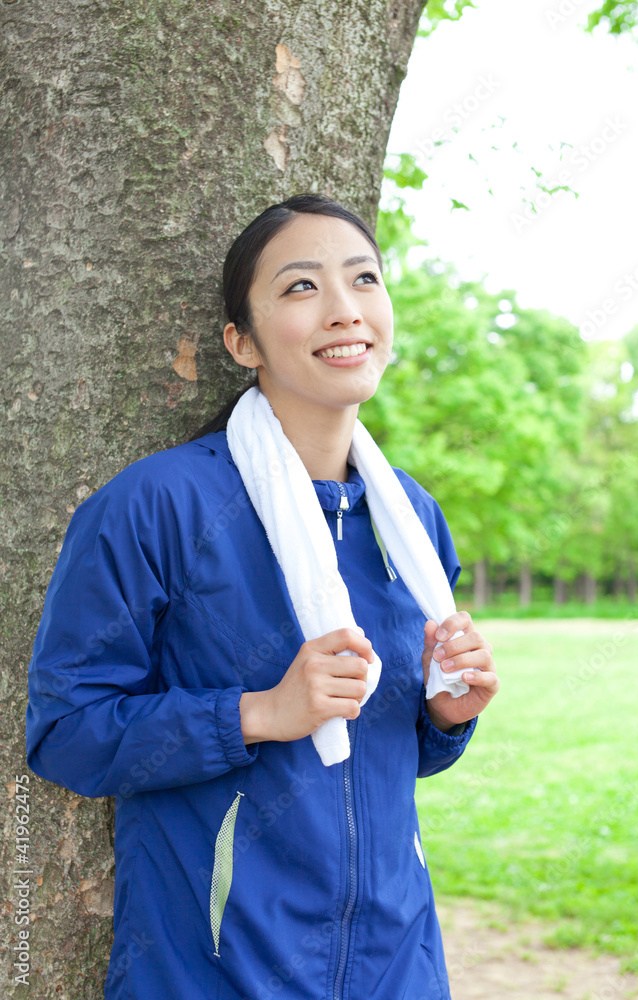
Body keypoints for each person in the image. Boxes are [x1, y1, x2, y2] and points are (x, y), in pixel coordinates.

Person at [25, 192, 499, 1000]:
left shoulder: (410, 520)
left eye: (363, 279)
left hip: (398, 966)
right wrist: (257, 712)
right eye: (301, 288)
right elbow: (65, 732)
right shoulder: (158, 505)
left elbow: (386, 757)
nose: (344, 311)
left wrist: (446, 714)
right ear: (240, 342)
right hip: (215, 969)